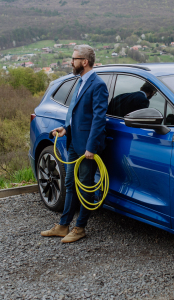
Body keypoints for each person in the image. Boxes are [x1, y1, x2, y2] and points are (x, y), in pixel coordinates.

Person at [41, 44, 109, 243]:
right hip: (73, 143)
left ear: (85, 62)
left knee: (85, 186)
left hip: (86, 148)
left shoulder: (98, 85)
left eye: (74, 59)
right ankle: (63, 226)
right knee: (70, 184)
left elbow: (98, 119)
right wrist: (66, 129)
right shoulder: (79, 82)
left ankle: (80, 228)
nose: (71, 62)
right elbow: (78, 116)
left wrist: (91, 147)